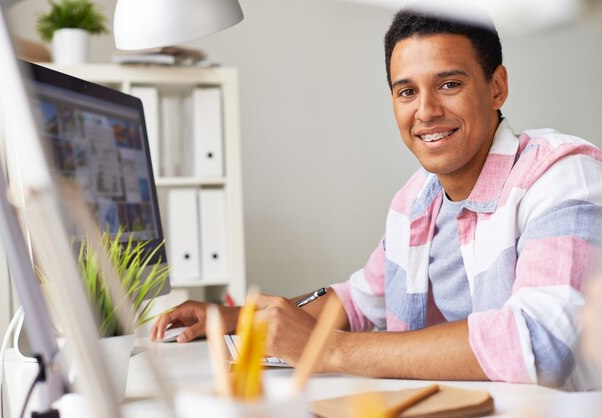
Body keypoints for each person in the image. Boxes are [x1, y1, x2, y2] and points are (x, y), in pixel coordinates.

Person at [151, 5, 602, 390]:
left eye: (449, 84)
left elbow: (541, 342)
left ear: (497, 86)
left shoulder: (561, 175)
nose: (425, 111)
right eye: (407, 91)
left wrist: (330, 350)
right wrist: (237, 320)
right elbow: (358, 302)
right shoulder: (415, 202)